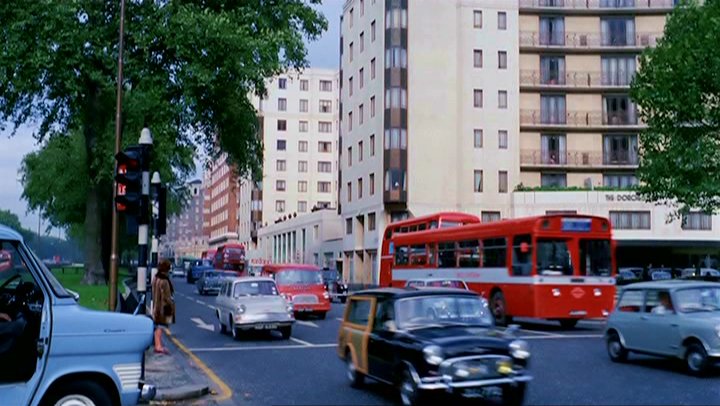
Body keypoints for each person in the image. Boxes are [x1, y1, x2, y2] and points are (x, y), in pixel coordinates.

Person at [152, 259, 175, 354]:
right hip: (163, 307)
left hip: (156, 305)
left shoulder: (155, 278)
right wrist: (171, 304)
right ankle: (158, 346)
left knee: (158, 326)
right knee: (161, 326)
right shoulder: (164, 281)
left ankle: (158, 344)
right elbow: (167, 297)